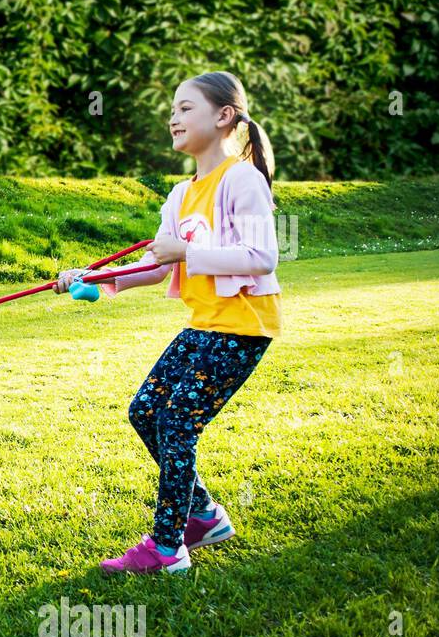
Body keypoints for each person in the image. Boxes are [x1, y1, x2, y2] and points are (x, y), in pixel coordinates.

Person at [55, 71, 281, 574]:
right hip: (204, 324)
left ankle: (166, 547)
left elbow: (261, 256)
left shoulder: (242, 179)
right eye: (172, 110)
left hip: (243, 326)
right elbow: (157, 266)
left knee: (177, 422)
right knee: (145, 412)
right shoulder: (180, 195)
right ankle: (204, 516)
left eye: (184, 108)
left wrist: (188, 250)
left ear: (224, 117)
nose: (173, 118)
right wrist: (92, 276)